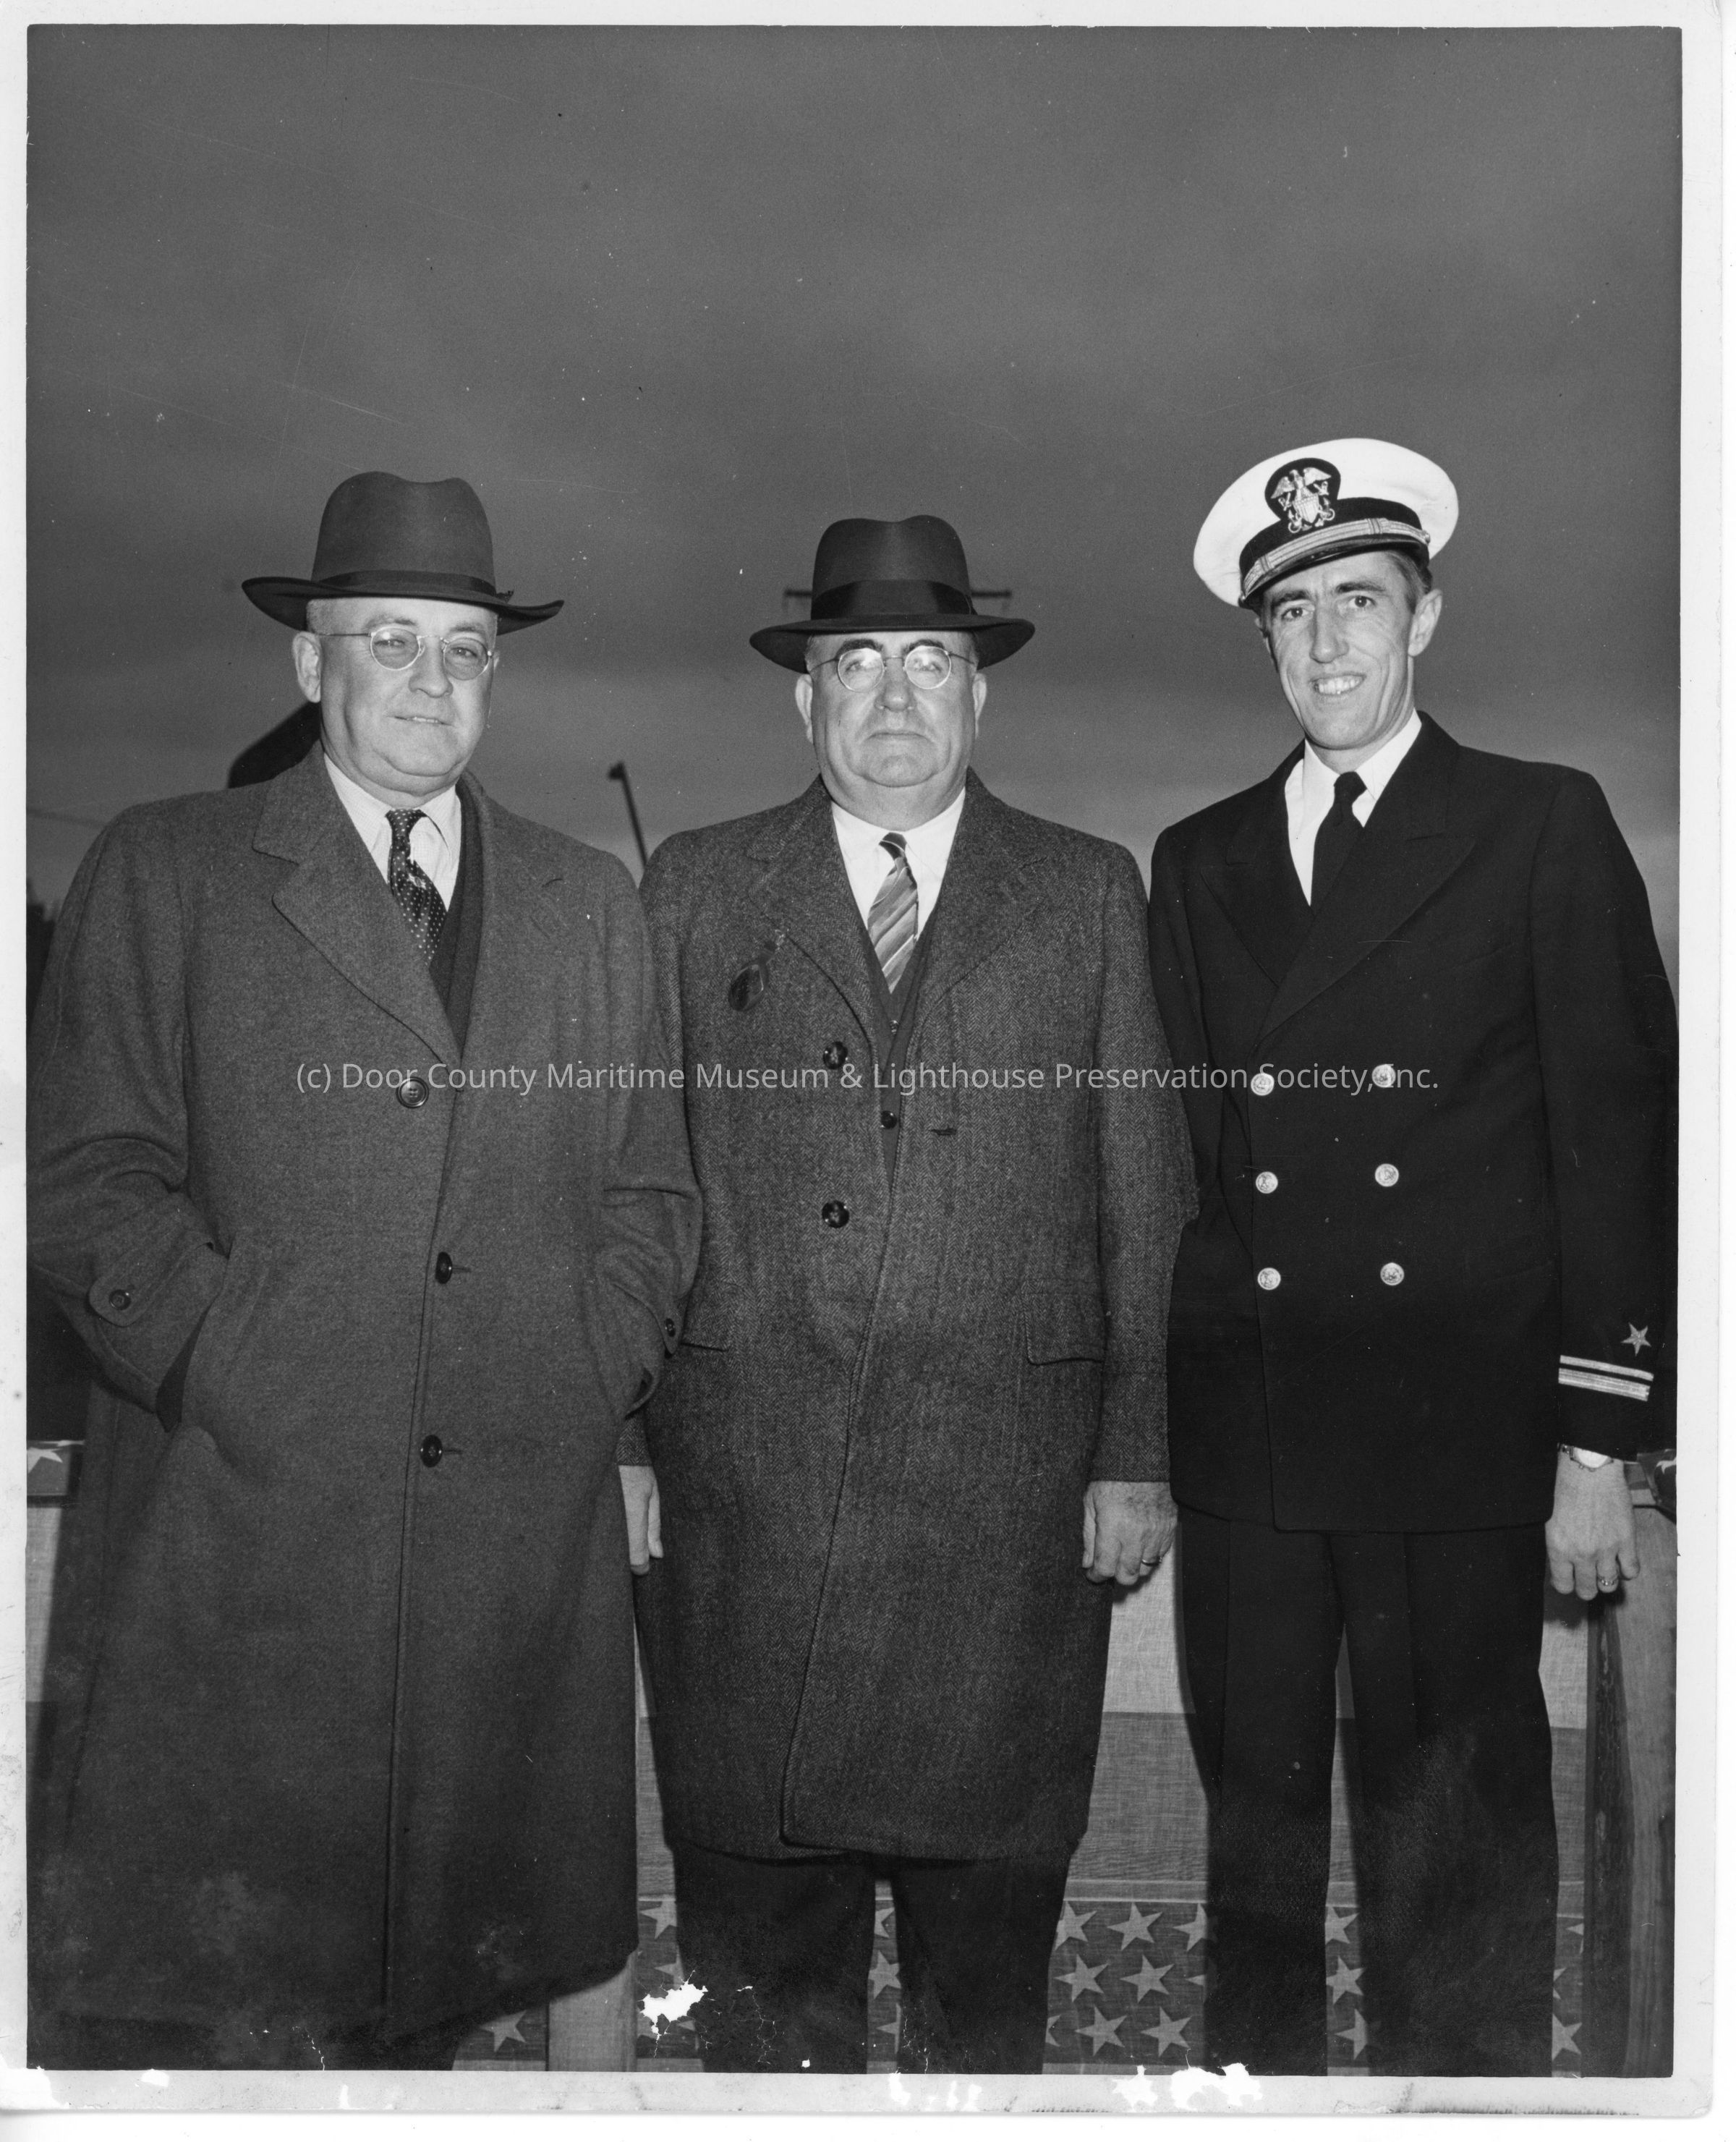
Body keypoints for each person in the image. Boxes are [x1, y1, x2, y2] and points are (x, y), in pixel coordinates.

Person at [28, 471, 700, 2068]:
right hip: (231, 1538)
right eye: (389, 640)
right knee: (220, 2022)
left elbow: (652, 1197)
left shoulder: (589, 904)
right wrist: (229, 1358)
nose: (429, 681)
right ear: (307, 661)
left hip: (497, 1579)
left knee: (419, 2022)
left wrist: (579, 1370)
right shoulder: (168, 868)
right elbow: (86, 1182)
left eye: (465, 649)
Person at [632, 514, 1194, 2073]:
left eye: (931, 661)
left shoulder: (1086, 891)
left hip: (1004, 1528)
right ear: (800, 698)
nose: (894, 696)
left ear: (980, 694)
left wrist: (1137, 1448)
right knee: (765, 2028)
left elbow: (1146, 1195)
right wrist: (621, 1440)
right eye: (856, 662)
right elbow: (626, 1183)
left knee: (983, 2019)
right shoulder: (695, 885)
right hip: (747, 1512)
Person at [1146, 438, 1677, 2075]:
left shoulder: (1540, 822)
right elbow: (1188, 1164)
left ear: (1425, 617)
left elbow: (1618, 1146)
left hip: (1455, 1442)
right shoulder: (1200, 857)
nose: (1326, 644)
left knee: (1458, 1860)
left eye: (1360, 602)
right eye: (1293, 612)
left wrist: (1598, 1441)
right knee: (1255, 1860)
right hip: (1254, 1447)